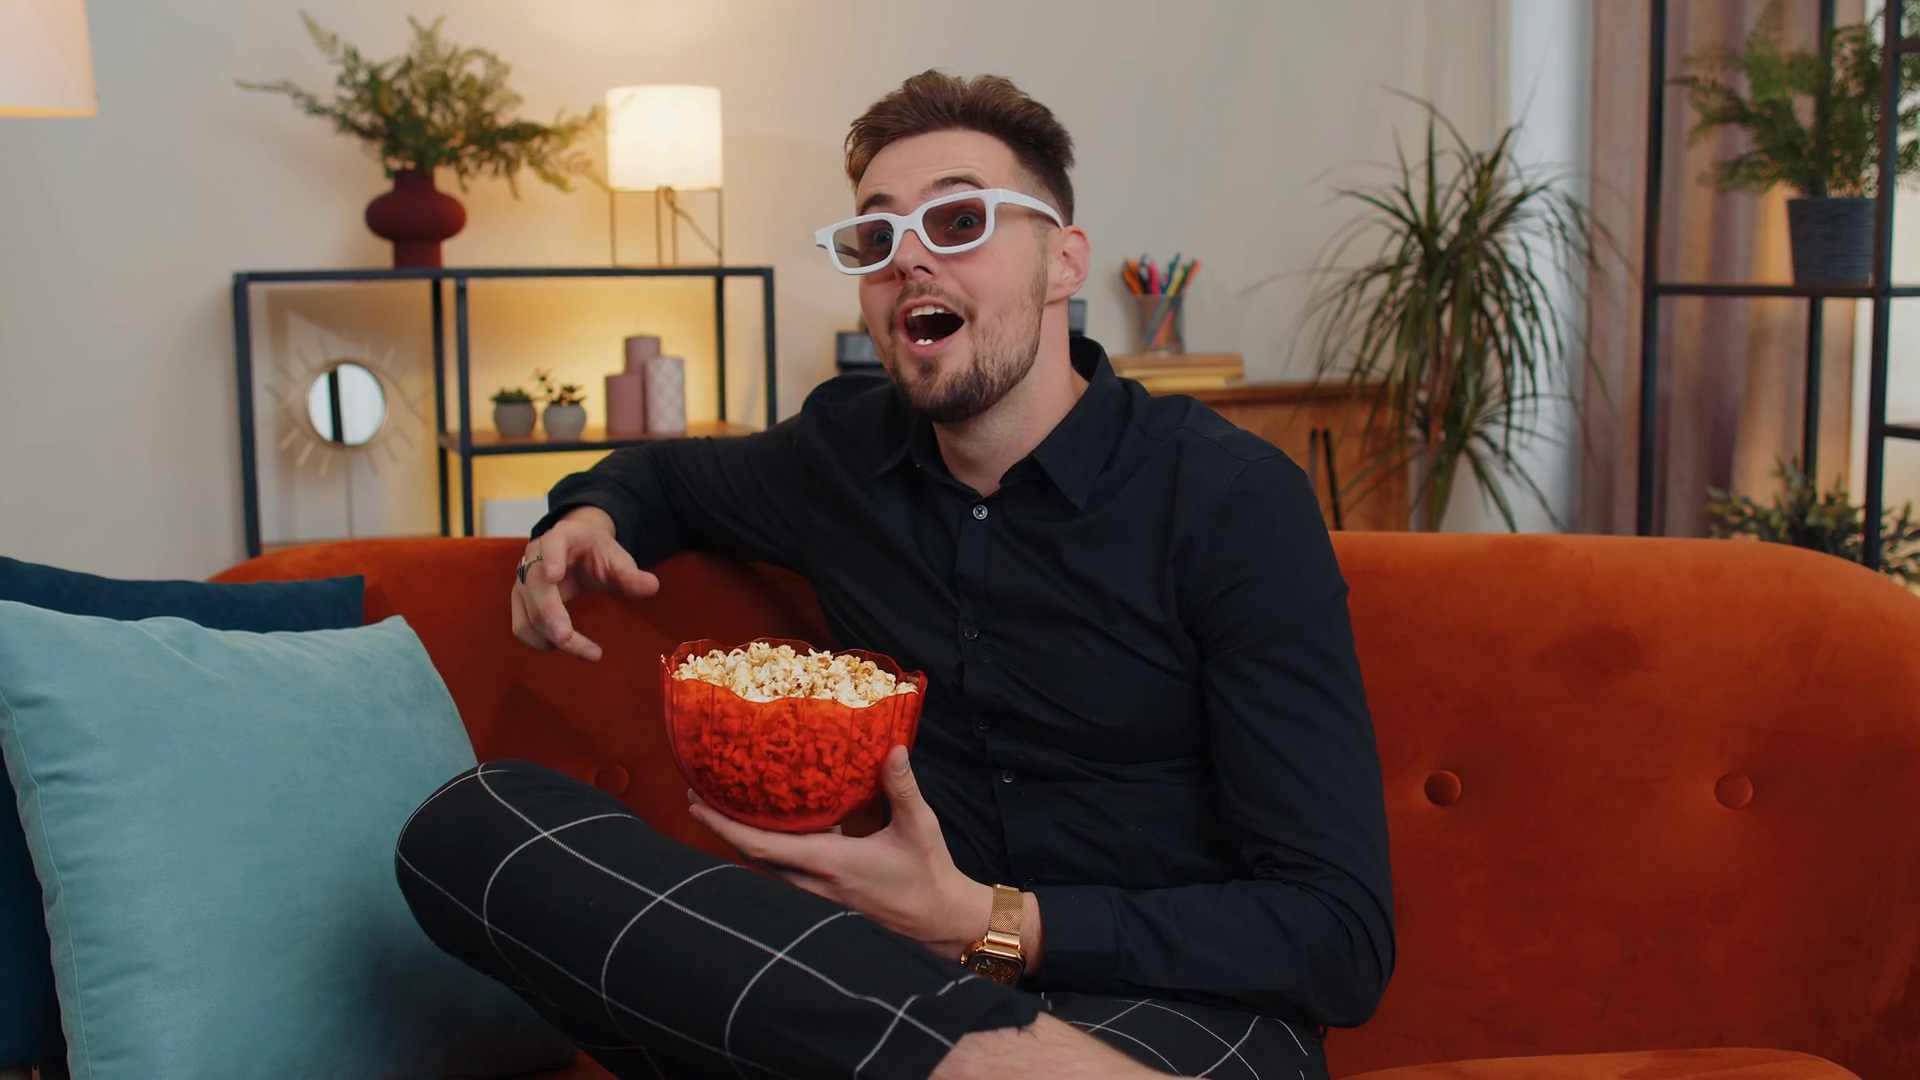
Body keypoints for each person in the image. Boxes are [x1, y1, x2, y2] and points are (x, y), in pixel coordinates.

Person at [395, 70, 1394, 1080]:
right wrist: (586, 518)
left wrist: (984, 921)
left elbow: (1339, 936)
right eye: (877, 237)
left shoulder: (1230, 499)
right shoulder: (840, 455)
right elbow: (662, 478)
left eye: (959, 221)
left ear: (1063, 262)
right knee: (476, 827)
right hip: (891, 989)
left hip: (1183, 1011)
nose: (909, 257)